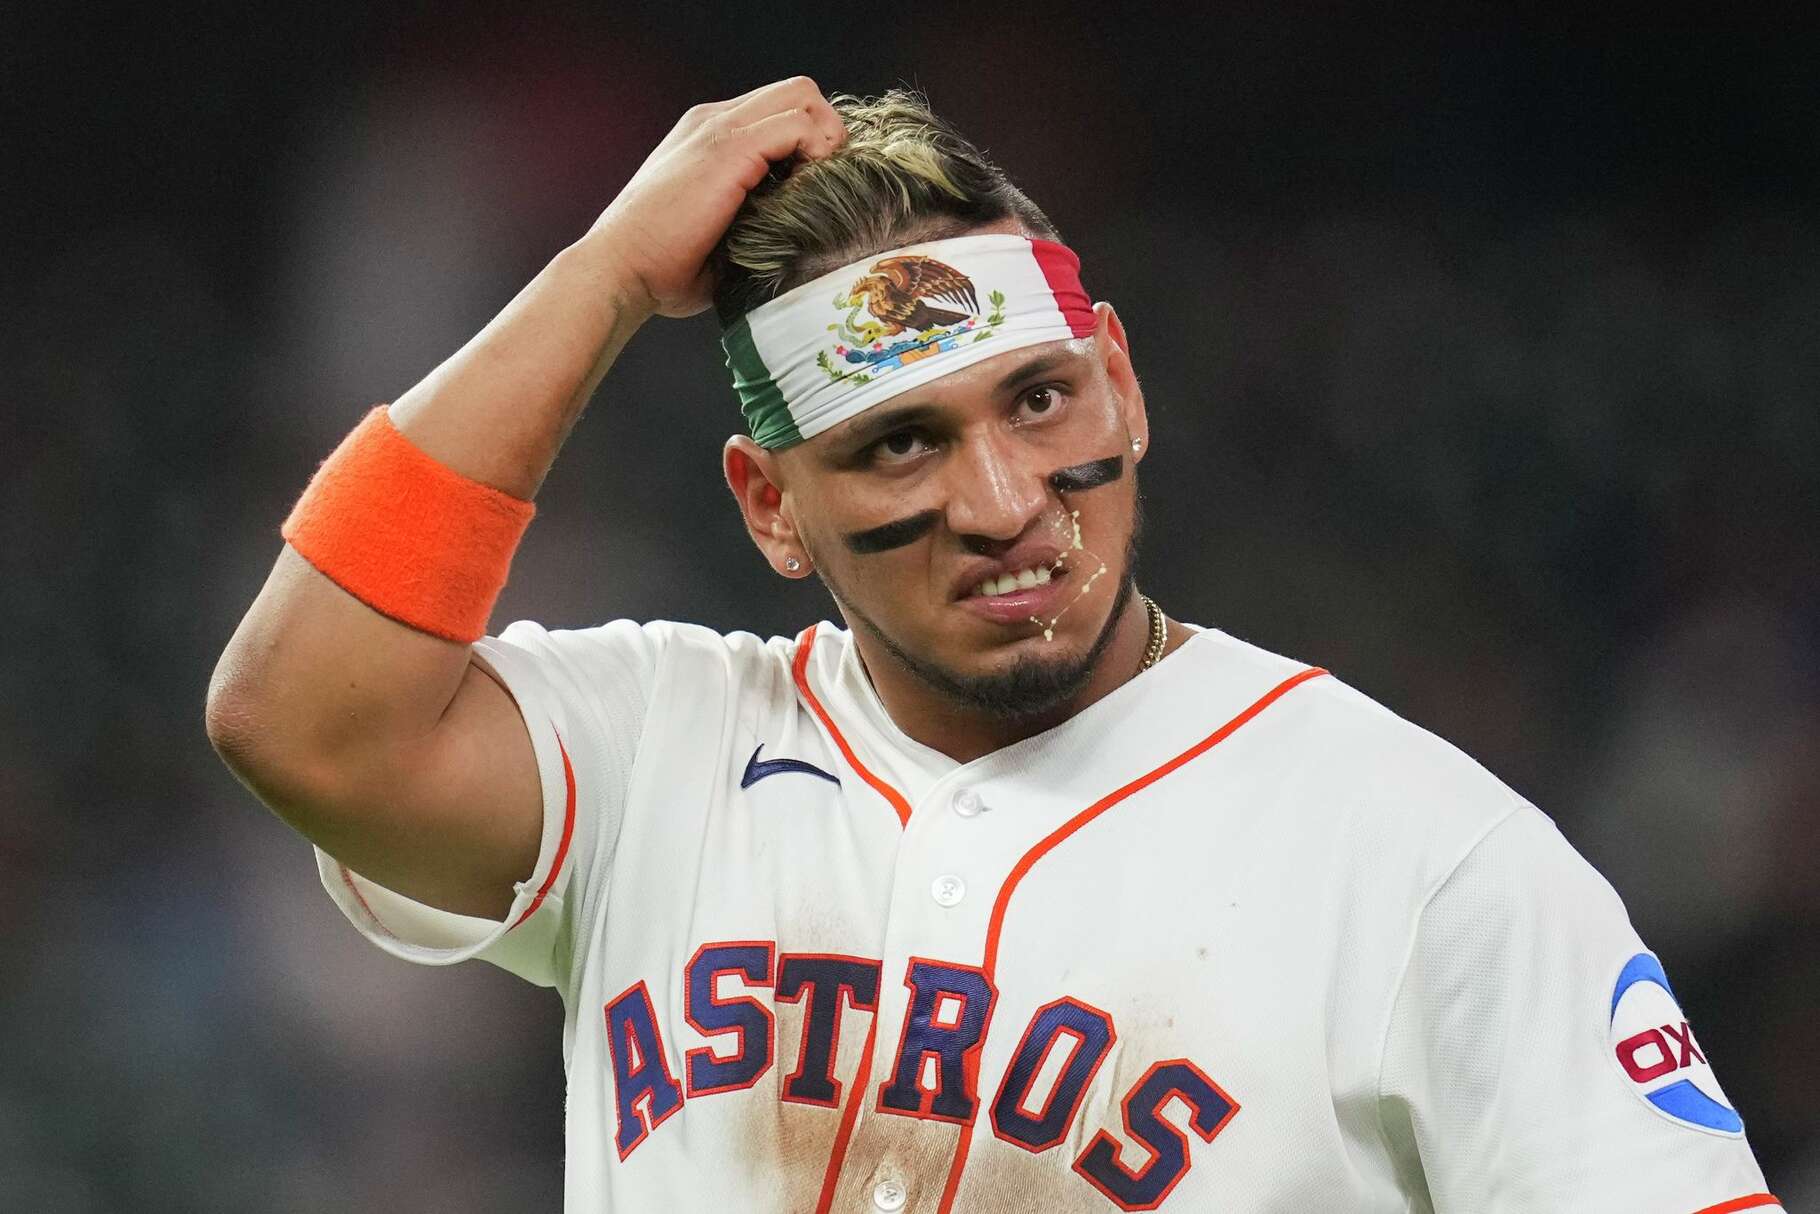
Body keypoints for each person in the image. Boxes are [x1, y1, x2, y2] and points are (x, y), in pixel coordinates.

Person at [205, 78, 1781, 1213]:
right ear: (772, 507)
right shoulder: (654, 752)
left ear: (1125, 389)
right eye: (898, 445)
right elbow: (299, 714)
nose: (1004, 499)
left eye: (1039, 400)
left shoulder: (1429, 856)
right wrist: (605, 279)